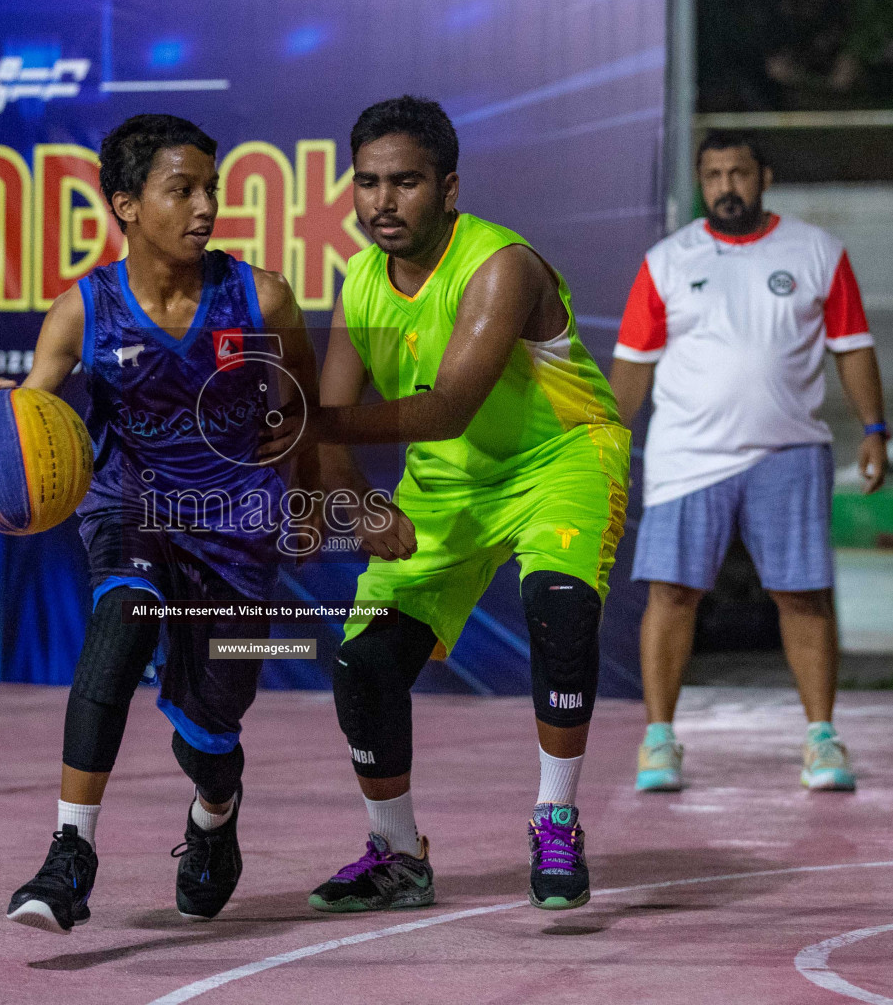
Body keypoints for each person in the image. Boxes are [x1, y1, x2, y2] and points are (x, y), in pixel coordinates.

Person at [0, 114, 318, 933]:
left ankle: (216, 816)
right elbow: (30, 404)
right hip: (129, 508)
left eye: (211, 188)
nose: (206, 206)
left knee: (210, 733)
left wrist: (306, 495)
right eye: (182, 190)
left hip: (236, 528)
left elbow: (300, 411)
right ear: (127, 205)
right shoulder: (84, 311)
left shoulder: (264, 297)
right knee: (123, 620)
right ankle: (69, 855)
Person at [263, 96, 630, 912]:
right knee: (362, 665)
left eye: (406, 183)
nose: (383, 202)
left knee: (560, 610)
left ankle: (557, 818)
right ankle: (397, 856)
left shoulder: (502, 265)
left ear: (450, 189)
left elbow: (447, 406)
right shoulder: (359, 281)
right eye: (367, 184)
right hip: (447, 482)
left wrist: (297, 422)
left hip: (560, 457)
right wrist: (352, 503)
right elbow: (332, 425)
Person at [609, 130, 887, 794]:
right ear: (700, 182)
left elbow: (852, 346)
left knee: (803, 595)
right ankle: (659, 741)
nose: (725, 187)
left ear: (764, 177)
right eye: (712, 175)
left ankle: (821, 738)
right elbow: (631, 367)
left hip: (789, 451)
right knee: (671, 593)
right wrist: (605, 447)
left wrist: (874, 428)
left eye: (738, 173)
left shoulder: (817, 251)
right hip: (687, 457)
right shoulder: (667, 261)